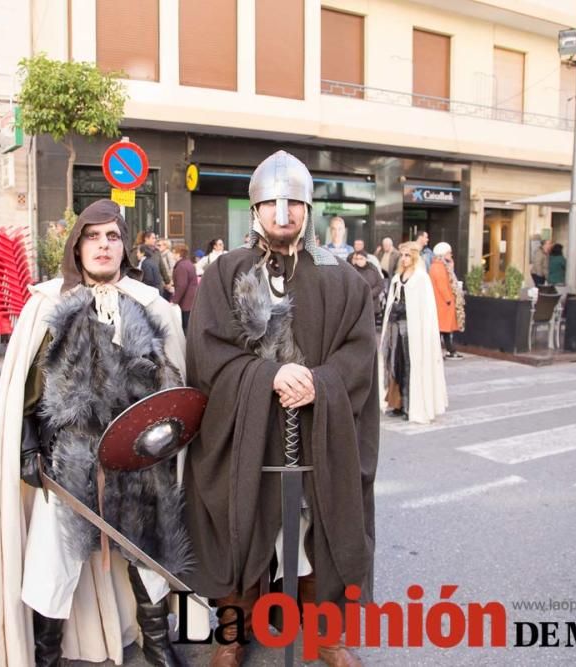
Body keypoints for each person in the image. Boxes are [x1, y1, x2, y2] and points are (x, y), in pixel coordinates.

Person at [0, 199, 190, 667]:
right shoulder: (46, 306)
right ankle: (46, 653)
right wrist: (28, 447)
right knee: (51, 562)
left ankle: (157, 644)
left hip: (139, 454)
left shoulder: (150, 306)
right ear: (77, 246)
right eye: (92, 236)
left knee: (148, 553)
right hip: (70, 455)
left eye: (113, 237)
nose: (103, 246)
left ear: (125, 247)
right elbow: (25, 390)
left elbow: (174, 385)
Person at [184, 150, 378, 667]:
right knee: (238, 525)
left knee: (323, 530)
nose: (283, 212)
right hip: (247, 435)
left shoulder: (342, 279)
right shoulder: (224, 272)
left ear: (309, 210)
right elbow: (207, 354)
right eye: (272, 203)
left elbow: (360, 353)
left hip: (319, 433)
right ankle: (232, 634)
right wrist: (268, 375)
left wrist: (322, 382)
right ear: (255, 210)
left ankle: (327, 636)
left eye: (293, 202)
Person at [380, 242, 447, 423]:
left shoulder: (421, 278)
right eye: (402, 255)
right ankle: (398, 403)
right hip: (395, 327)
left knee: (411, 366)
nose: (403, 258)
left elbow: (425, 310)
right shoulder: (397, 277)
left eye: (407, 255)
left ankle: (411, 406)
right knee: (395, 364)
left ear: (415, 256)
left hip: (413, 330)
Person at [428, 242, 465, 360]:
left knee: (443, 329)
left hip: (442, 303)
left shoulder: (439, 265)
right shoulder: (438, 267)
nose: (451, 255)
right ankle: (445, 351)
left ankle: (448, 350)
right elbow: (442, 285)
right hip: (443, 303)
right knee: (442, 329)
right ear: (443, 253)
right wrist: (449, 300)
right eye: (449, 252)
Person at [170, 243, 198, 332]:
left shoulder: (181, 266)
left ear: (178, 254)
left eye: (173, 252)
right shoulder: (188, 263)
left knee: (185, 326)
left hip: (186, 301)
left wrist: (174, 300)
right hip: (191, 299)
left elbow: (181, 285)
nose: (172, 254)